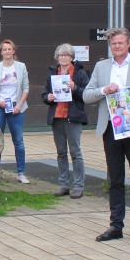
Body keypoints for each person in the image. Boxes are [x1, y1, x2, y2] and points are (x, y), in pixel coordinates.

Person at [83, 27, 130, 247]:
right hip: (111, 129)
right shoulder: (102, 66)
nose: (117, 46)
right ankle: (116, 225)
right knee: (114, 180)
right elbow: (87, 95)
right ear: (110, 45)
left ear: (129, 43)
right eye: (114, 43)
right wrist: (104, 90)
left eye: (121, 43)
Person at [41, 43, 89, 199]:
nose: (63, 58)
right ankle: (63, 185)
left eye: (66, 55)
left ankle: (78, 186)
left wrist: (75, 88)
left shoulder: (80, 74)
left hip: (73, 117)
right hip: (57, 116)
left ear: (71, 57)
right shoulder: (52, 73)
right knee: (61, 153)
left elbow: (87, 94)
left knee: (75, 152)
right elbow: (45, 93)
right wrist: (48, 97)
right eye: (61, 55)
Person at [0, 39, 30, 183]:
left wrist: (19, 105)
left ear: (13, 51)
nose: (7, 52)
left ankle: (21, 173)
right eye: (4, 49)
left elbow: (26, 88)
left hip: (16, 109)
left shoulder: (21, 67)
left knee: (18, 141)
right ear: (1, 52)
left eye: (9, 49)